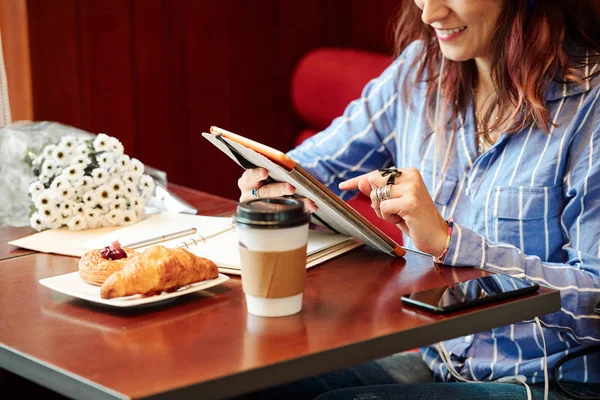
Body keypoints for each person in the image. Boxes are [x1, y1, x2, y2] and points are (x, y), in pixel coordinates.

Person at [237, 0, 600, 399]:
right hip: (440, 364)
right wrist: (267, 181)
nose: (429, 14)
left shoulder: (590, 103)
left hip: (551, 381)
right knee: (254, 381)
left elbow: (596, 299)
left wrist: (449, 241)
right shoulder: (420, 71)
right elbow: (308, 167)